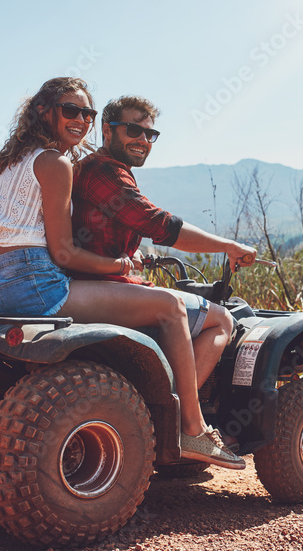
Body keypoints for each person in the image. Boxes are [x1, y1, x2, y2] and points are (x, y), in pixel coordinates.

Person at [0, 77, 245, 469]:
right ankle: (192, 428)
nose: (81, 119)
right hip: (38, 286)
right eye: (71, 110)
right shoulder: (55, 163)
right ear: (43, 111)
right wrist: (120, 265)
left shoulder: (10, 164)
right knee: (170, 306)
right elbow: (65, 252)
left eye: (87, 112)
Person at [69, 95, 257, 401]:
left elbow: (95, 232)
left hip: (102, 279)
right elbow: (161, 226)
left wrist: (130, 255)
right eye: (133, 130)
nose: (143, 140)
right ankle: (180, 414)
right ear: (107, 130)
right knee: (222, 318)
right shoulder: (105, 172)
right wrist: (228, 246)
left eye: (150, 134)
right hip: (106, 286)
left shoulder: (97, 167)